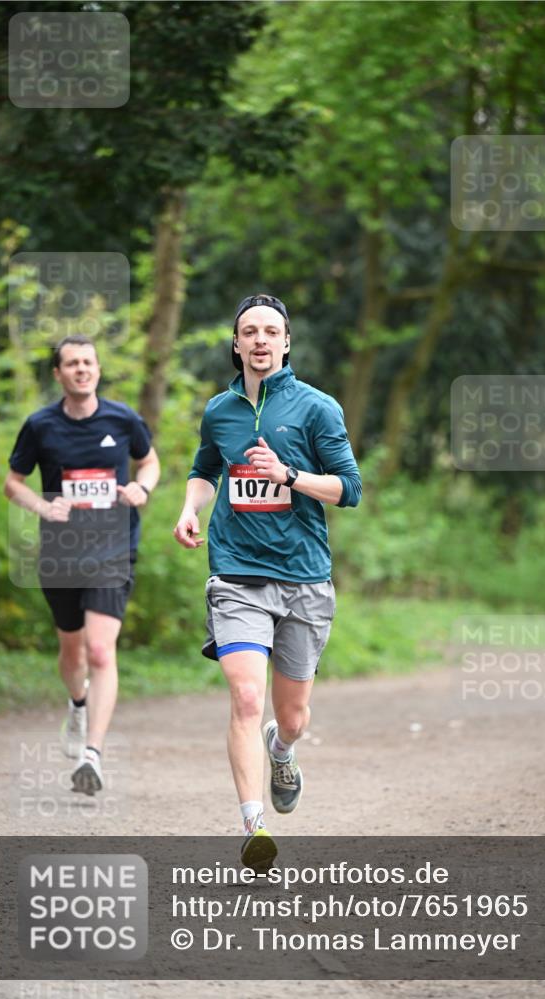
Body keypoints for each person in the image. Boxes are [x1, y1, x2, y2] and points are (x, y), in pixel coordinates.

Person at [173, 293, 361, 869]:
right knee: (246, 696)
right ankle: (253, 827)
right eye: (249, 331)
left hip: (303, 577)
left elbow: (348, 488)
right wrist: (190, 508)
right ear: (236, 344)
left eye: (270, 331)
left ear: (286, 343)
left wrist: (290, 475)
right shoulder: (219, 410)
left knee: (293, 716)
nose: (259, 340)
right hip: (236, 574)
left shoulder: (317, 409)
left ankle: (283, 751)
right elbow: (206, 468)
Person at [4, 335, 160, 796]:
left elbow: (148, 462)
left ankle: (92, 753)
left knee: (99, 651)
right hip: (60, 553)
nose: (81, 369)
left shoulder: (123, 418)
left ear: (97, 368)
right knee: (72, 652)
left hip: (113, 550)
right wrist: (41, 507)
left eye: (88, 362)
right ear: (58, 374)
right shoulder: (40, 426)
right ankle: (77, 703)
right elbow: (13, 483)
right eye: (71, 363)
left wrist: (142, 490)